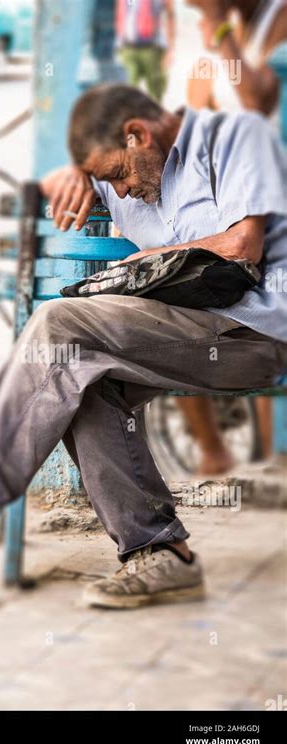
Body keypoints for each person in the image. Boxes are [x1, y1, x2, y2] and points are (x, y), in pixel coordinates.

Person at [0, 84, 287, 610]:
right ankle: (160, 553)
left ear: (138, 135)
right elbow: (79, 173)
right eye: (108, 181)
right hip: (178, 334)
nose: (120, 193)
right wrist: (80, 172)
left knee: (59, 325)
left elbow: (244, 245)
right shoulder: (120, 171)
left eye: (118, 175)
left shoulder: (233, 137)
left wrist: (142, 259)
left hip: (256, 332)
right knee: (75, 376)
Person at [178, 0, 287, 472]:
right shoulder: (221, 27)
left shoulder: (273, 20)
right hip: (226, 194)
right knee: (160, 284)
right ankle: (214, 450)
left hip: (268, 197)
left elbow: (255, 100)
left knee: (262, 305)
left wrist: (221, 27)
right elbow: (191, 111)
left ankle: (269, 449)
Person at [116, 0, 175, 102]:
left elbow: (170, 16)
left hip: (152, 48)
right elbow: (124, 12)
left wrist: (170, 49)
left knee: (155, 94)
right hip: (128, 47)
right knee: (127, 93)